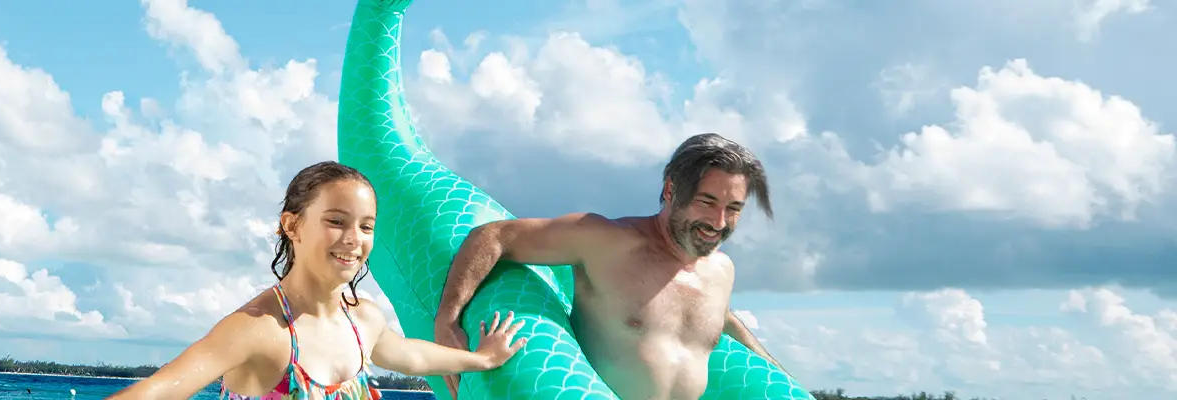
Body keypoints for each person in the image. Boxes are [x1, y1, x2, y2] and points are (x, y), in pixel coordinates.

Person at [110, 161, 529, 400]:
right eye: (335, 221)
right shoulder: (260, 329)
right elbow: (158, 390)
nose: (353, 239)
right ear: (292, 225)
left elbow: (411, 356)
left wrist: (483, 360)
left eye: (366, 227)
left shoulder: (362, 319)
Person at [433, 133, 788, 400]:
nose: (719, 221)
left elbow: (720, 318)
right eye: (707, 202)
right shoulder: (606, 241)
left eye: (734, 208)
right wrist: (447, 320)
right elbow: (494, 236)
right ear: (670, 191)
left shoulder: (721, 271)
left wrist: (781, 377)